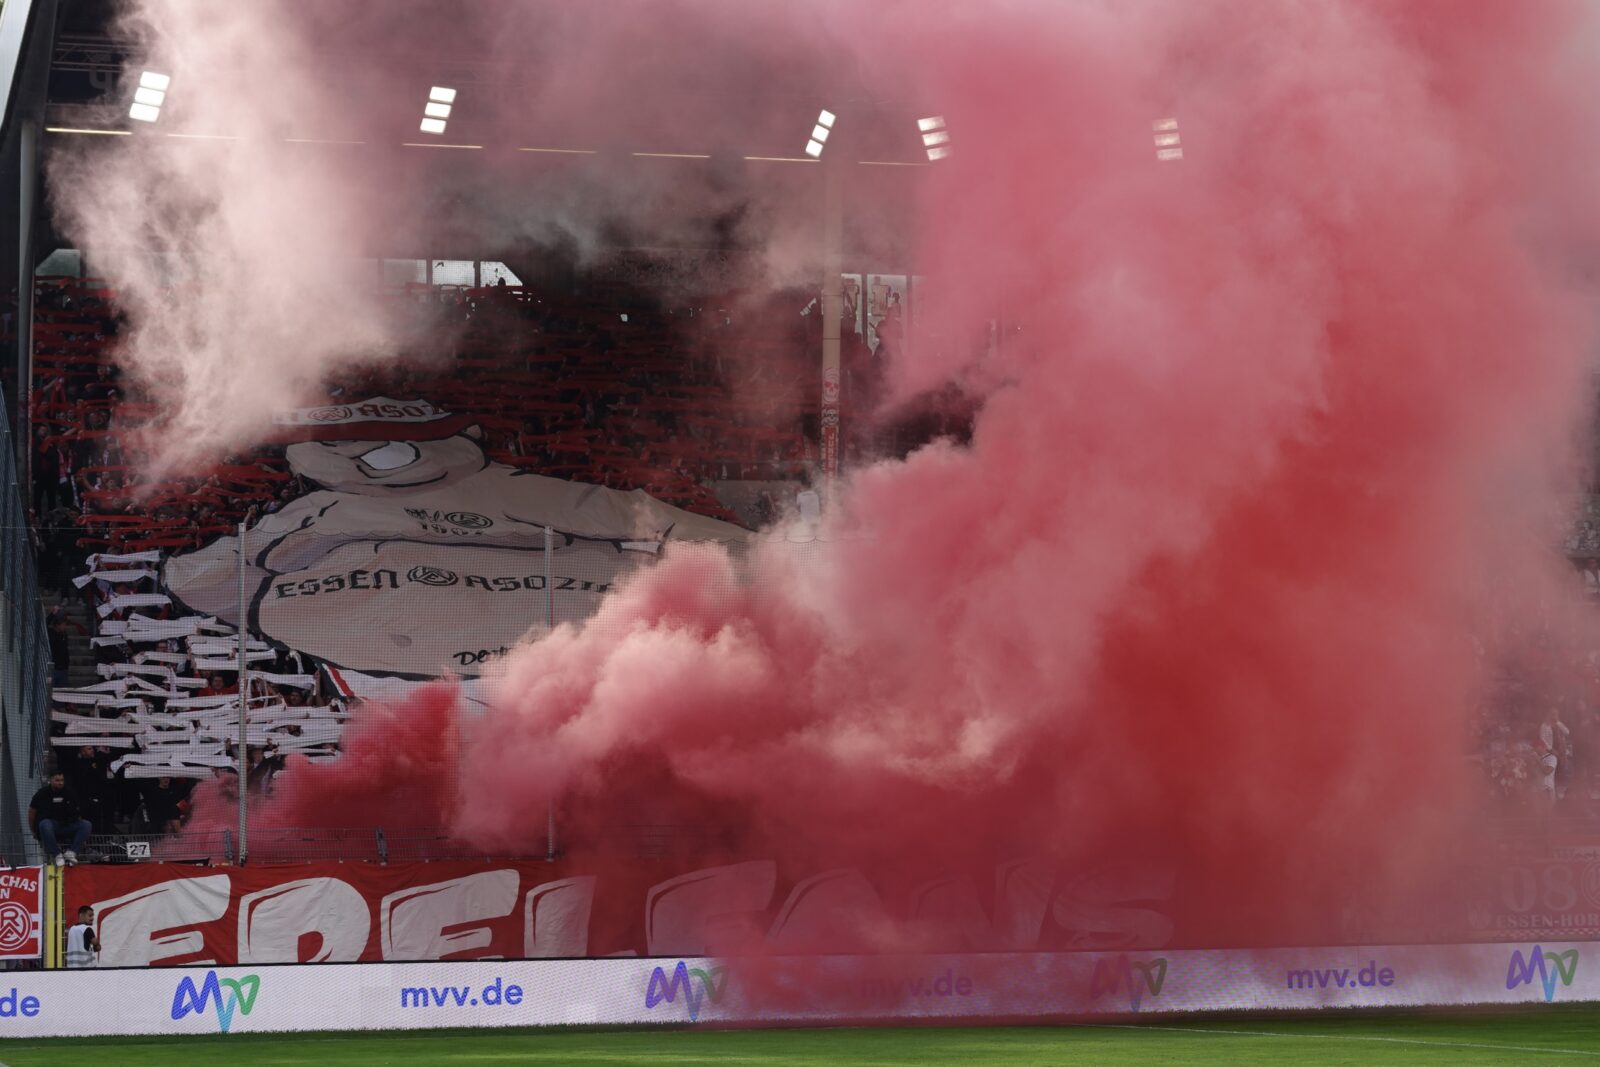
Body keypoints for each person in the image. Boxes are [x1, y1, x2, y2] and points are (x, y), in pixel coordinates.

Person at [28, 772, 91, 867]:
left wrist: (83, 836)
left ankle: (71, 852)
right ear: (50, 780)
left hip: (67, 824)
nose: (60, 783)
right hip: (51, 826)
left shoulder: (69, 792)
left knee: (86, 825)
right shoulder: (41, 793)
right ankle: (57, 855)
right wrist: (33, 830)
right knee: (44, 824)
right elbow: (32, 812)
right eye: (57, 780)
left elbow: (77, 813)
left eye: (62, 780)